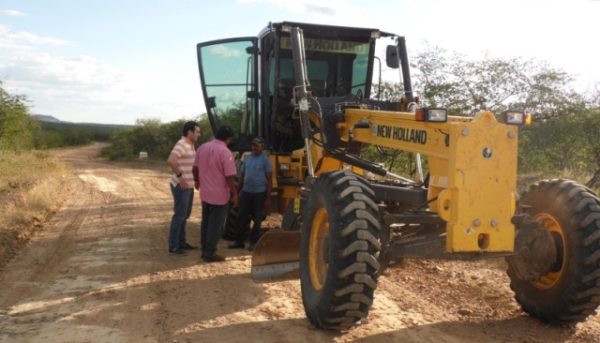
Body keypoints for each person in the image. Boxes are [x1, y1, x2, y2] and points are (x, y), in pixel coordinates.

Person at [193, 125, 239, 262]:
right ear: (228, 139)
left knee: (206, 223)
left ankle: (204, 250)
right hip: (219, 196)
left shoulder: (202, 147)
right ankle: (210, 253)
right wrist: (235, 194)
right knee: (216, 226)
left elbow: (194, 168)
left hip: (205, 193)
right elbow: (229, 177)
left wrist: (197, 181)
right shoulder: (225, 152)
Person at [229, 137, 272, 251]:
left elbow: (269, 179)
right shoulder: (247, 159)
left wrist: (268, 198)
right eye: (253, 145)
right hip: (246, 192)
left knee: (257, 219)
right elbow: (242, 176)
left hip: (259, 193)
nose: (254, 148)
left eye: (257, 146)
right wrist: (237, 193)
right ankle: (239, 241)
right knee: (241, 217)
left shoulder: (265, 160)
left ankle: (253, 243)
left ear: (262, 147)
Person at [167, 121, 201, 255]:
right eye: (197, 131)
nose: (199, 134)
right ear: (189, 132)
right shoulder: (182, 144)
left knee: (184, 215)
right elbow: (171, 160)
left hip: (188, 185)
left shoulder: (190, 145)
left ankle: (181, 243)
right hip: (181, 185)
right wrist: (180, 177)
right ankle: (174, 246)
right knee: (180, 215)